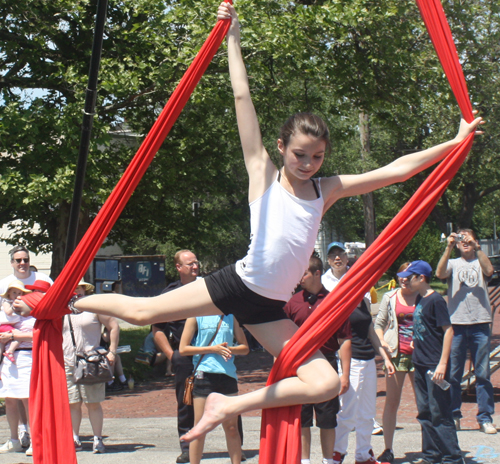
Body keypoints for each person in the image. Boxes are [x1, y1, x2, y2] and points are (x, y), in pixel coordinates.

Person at [19, 1, 483, 446]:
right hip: (237, 285)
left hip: (270, 307)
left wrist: (454, 141)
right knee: (143, 312)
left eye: (317, 157)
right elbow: (242, 95)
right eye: (300, 154)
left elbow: (397, 169)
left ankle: (227, 404)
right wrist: (232, 37)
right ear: (282, 147)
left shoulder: (327, 189)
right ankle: (61, 301)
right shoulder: (263, 175)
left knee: (325, 383)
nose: (308, 163)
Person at [284, 256, 352, 464]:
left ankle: (328, 460)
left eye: (303, 273)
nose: (299, 278)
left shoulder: (334, 301)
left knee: (327, 418)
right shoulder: (292, 302)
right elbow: (282, 337)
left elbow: (345, 340)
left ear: (316, 274)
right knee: (302, 418)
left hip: (326, 364)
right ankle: (304, 461)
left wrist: (345, 375)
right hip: (299, 367)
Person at [399, 260, 463, 464]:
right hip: (420, 362)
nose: (406, 280)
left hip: (434, 364)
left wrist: (443, 364)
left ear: (421, 278)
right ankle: (431, 454)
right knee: (425, 411)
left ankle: (452, 457)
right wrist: (415, 343)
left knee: (439, 412)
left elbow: (448, 331)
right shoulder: (420, 298)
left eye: (410, 277)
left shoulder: (436, 300)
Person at [436, 228, 496, 434]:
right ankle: (454, 415)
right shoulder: (453, 263)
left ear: (475, 241)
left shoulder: (480, 259)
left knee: (483, 374)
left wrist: (477, 248)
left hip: (480, 323)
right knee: (454, 374)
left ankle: (485, 417)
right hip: (457, 324)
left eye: (467, 238)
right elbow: (439, 273)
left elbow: (489, 271)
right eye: (460, 238)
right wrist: (449, 247)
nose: (464, 241)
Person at [0, 245, 52, 453]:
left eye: (25, 259)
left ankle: (35, 440)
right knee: (10, 398)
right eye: (18, 260)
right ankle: (14, 439)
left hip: (33, 352)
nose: (22, 263)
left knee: (29, 398)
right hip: (8, 354)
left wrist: (14, 334)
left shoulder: (43, 281)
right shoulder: (3, 284)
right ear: (12, 262)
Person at [333, 295, 395, 464]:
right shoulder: (342, 299)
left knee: (367, 412)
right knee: (347, 411)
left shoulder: (365, 301)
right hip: (351, 361)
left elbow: (371, 331)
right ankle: (336, 454)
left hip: (368, 359)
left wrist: (384, 357)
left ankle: (363, 455)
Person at [180, 314, 249, 464]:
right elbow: (183, 348)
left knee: (232, 428)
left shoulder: (231, 316)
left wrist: (229, 349)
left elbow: (245, 348)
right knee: (199, 428)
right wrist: (213, 349)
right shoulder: (195, 316)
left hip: (227, 376)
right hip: (204, 375)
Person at [152, 249, 199, 463]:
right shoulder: (169, 294)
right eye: (190, 264)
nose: (195, 267)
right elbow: (157, 329)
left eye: (196, 263)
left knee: (226, 396)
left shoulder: (209, 288)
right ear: (178, 267)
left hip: (212, 354)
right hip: (185, 358)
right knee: (186, 401)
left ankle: (235, 444)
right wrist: (172, 356)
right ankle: (187, 446)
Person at [63, 281, 120, 453]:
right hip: (67, 362)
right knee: (72, 403)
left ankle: (97, 439)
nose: (76, 292)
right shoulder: (62, 311)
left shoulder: (94, 308)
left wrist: (112, 351)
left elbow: (114, 326)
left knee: (92, 403)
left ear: (84, 290)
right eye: (72, 289)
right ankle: (75, 438)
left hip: (90, 362)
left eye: (79, 288)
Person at [374, 263, 418, 463]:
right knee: (392, 402)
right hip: (395, 355)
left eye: (408, 275)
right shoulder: (389, 297)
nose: (404, 279)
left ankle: (430, 447)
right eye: (401, 275)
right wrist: (382, 341)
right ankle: (388, 448)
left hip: (420, 357)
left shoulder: (424, 297)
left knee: (424, 403)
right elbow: (379, 324)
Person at [0, 281, 31, 362]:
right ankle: (10, 351)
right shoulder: (6, 302)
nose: (17, 295)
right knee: (19, 335)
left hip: (9, 326)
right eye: (14, 292)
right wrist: (14, 305)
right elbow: (8, 312)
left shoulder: (20, 303)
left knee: (2, 345)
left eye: (19, 293)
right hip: (4, 325)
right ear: (9, 292)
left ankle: (7, 353)